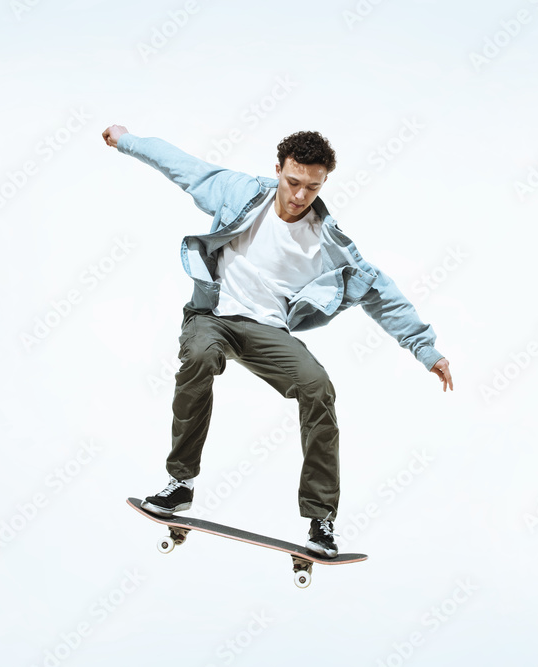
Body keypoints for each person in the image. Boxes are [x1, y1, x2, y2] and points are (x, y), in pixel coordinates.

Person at [102, 125, 452, 557]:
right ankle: (180, 483)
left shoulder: (330, 243)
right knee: (199, 355)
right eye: (293, 182)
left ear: (324, 183)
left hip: (268, 332)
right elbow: (184, 168)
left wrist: (425, 349)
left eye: (312, 187)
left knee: (317, 387)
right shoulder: (241, 192)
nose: (300, 196)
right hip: (213, 315)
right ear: (278, 171)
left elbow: (381, 293)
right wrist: (127, 140)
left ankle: (321, 520)